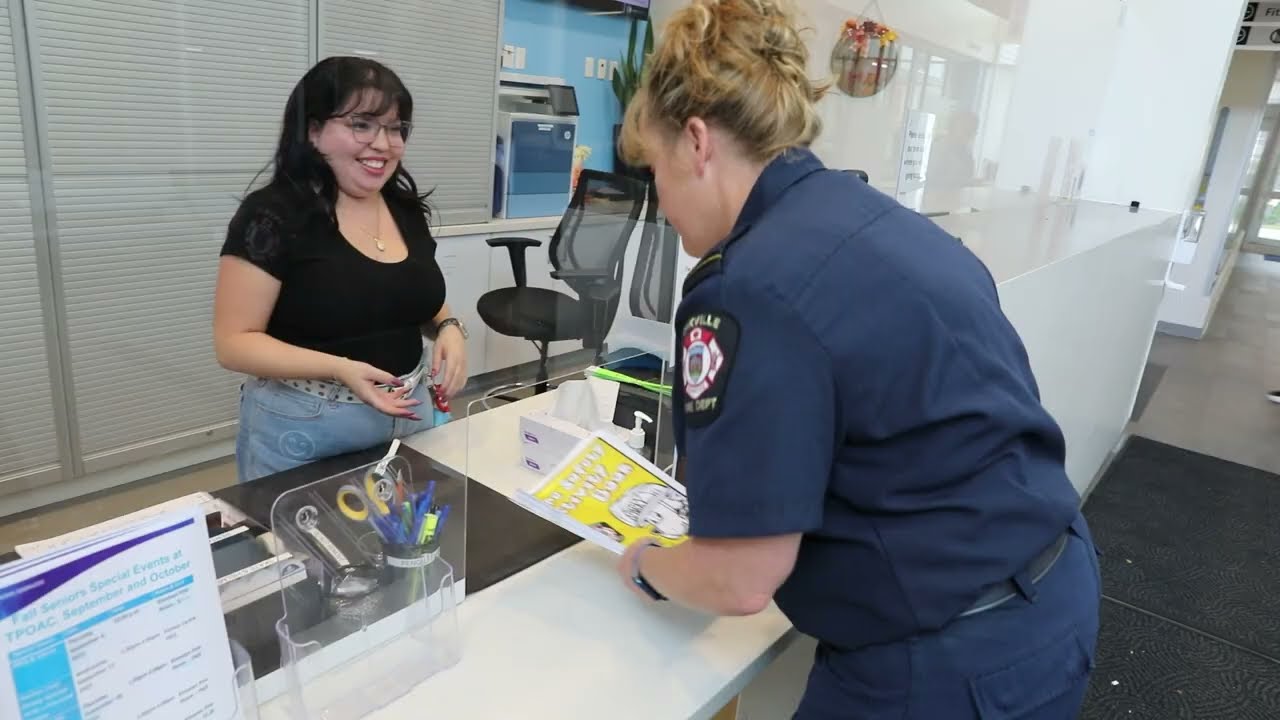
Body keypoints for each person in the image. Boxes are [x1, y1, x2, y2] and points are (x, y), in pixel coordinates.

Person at [612, 1, 1102, 717]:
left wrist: (646, 565)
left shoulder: (748, 288)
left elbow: (741, 578)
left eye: (654, 170)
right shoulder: (881, 220)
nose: (659, 201)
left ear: (695, 143)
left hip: (945, 662)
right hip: (1055, 598)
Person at [213, 57, 469, 484]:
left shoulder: (404, 209)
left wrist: (450, 326)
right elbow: (234, 343)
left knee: (405, 544)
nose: (383, 144)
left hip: (410, 417)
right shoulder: (273, 217)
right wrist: (339, 367)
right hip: (309, 425)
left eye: (395, 128)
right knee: (309, 549)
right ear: (314, 132)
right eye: (362, 124)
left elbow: (412, 293)